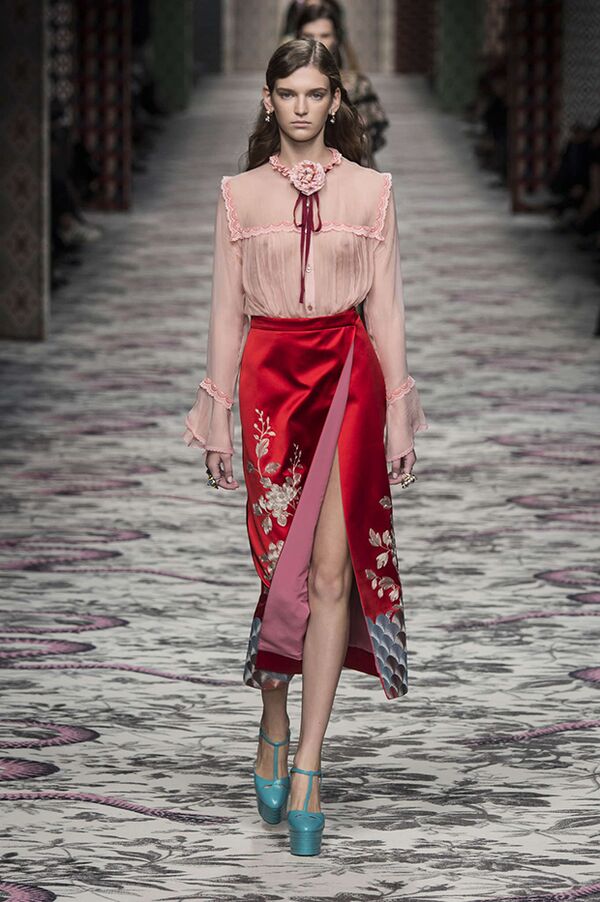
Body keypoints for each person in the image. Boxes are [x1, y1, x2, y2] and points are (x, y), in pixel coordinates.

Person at [182, 37, 428, 857]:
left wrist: (399, 414)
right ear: (268, 100)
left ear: (334, 101)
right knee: (280, 569)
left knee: (330, 574)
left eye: (315, 93)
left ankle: (311, 768)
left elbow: (387, 308)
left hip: (349, 375)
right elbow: (226, 311)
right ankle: (273, 717)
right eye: (288, 93)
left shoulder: (373, 190)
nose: (301, 107)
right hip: (272, 381)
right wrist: (216, 413)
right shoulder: (238, 196)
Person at [294, 2, 390, 165]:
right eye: (309, 36)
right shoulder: (285, 84)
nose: (317, 43)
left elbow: (365, 143)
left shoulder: (356, 85)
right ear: (298, 38)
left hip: (349, 169)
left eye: (325, 35)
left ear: (336, 39)